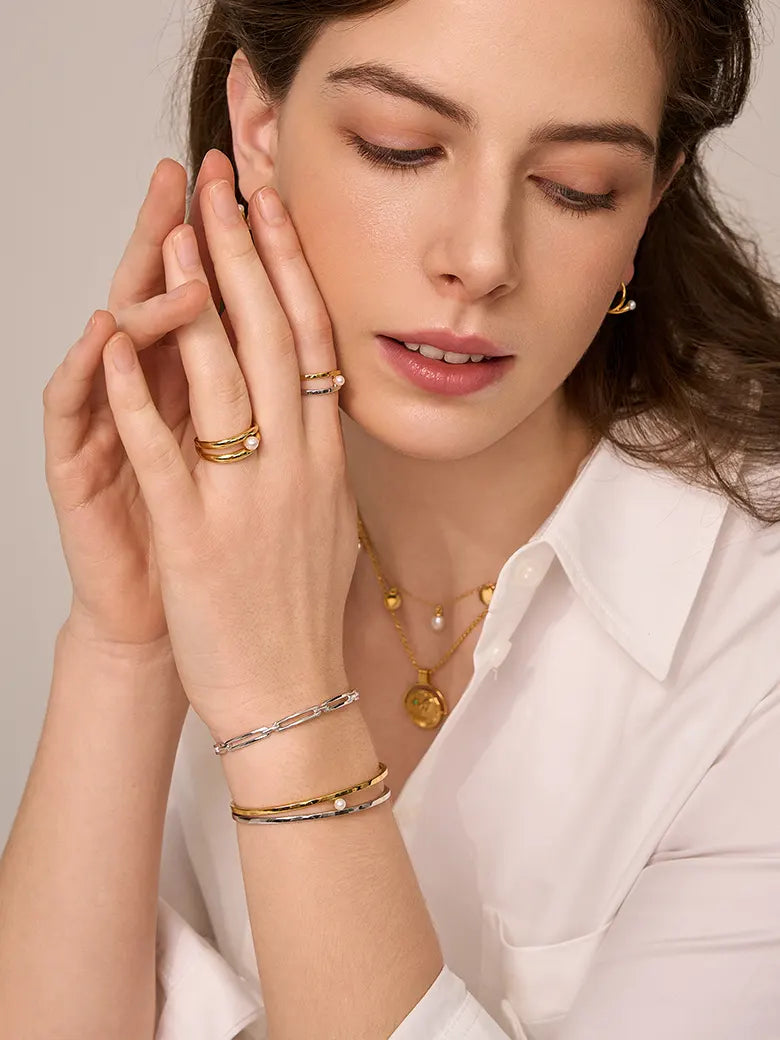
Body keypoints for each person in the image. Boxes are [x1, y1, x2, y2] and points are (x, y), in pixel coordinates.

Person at [1, 0, 779, 1037]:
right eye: (401, 149)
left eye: (575, 188)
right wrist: (126, 641)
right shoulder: (230, 519)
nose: (480, 256)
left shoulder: (750, 623)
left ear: (649, 203)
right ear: (262, 129)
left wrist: (286, 707)